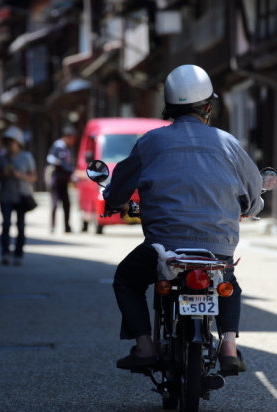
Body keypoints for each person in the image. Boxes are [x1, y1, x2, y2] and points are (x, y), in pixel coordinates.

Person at [102, 65, 264, 373]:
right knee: (227, 281)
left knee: (126, 278)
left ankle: (145, 346)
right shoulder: (227, 142)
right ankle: (228, 347)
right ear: (207, 107)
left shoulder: (150, 142)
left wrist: (115, 202)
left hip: (164, 249)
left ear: (169, 107)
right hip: (217, 248)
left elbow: (120, 182)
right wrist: (252, 208)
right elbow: (254, 187)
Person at [0, 126, 37, 266]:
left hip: (21, 196)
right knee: (6, 224)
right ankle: (5, 252)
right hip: (6, 195)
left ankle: (18, 254)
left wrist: (20, 175)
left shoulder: (26, 157)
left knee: (20, 225)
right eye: (7, 141)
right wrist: (4, 175)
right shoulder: (3, 158)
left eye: (12, 141)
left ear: (18, 142)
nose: (9, 144)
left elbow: (33, 177)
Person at [47, 126, 78, 233]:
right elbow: (54, 161)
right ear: (66, 137)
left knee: (67, 204)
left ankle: (67, 227)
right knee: (55, 204)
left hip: (64, 180)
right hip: (56, 179)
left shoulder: (66, 148)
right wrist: (70, 170)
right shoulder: (58, 146)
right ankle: (52, 226)